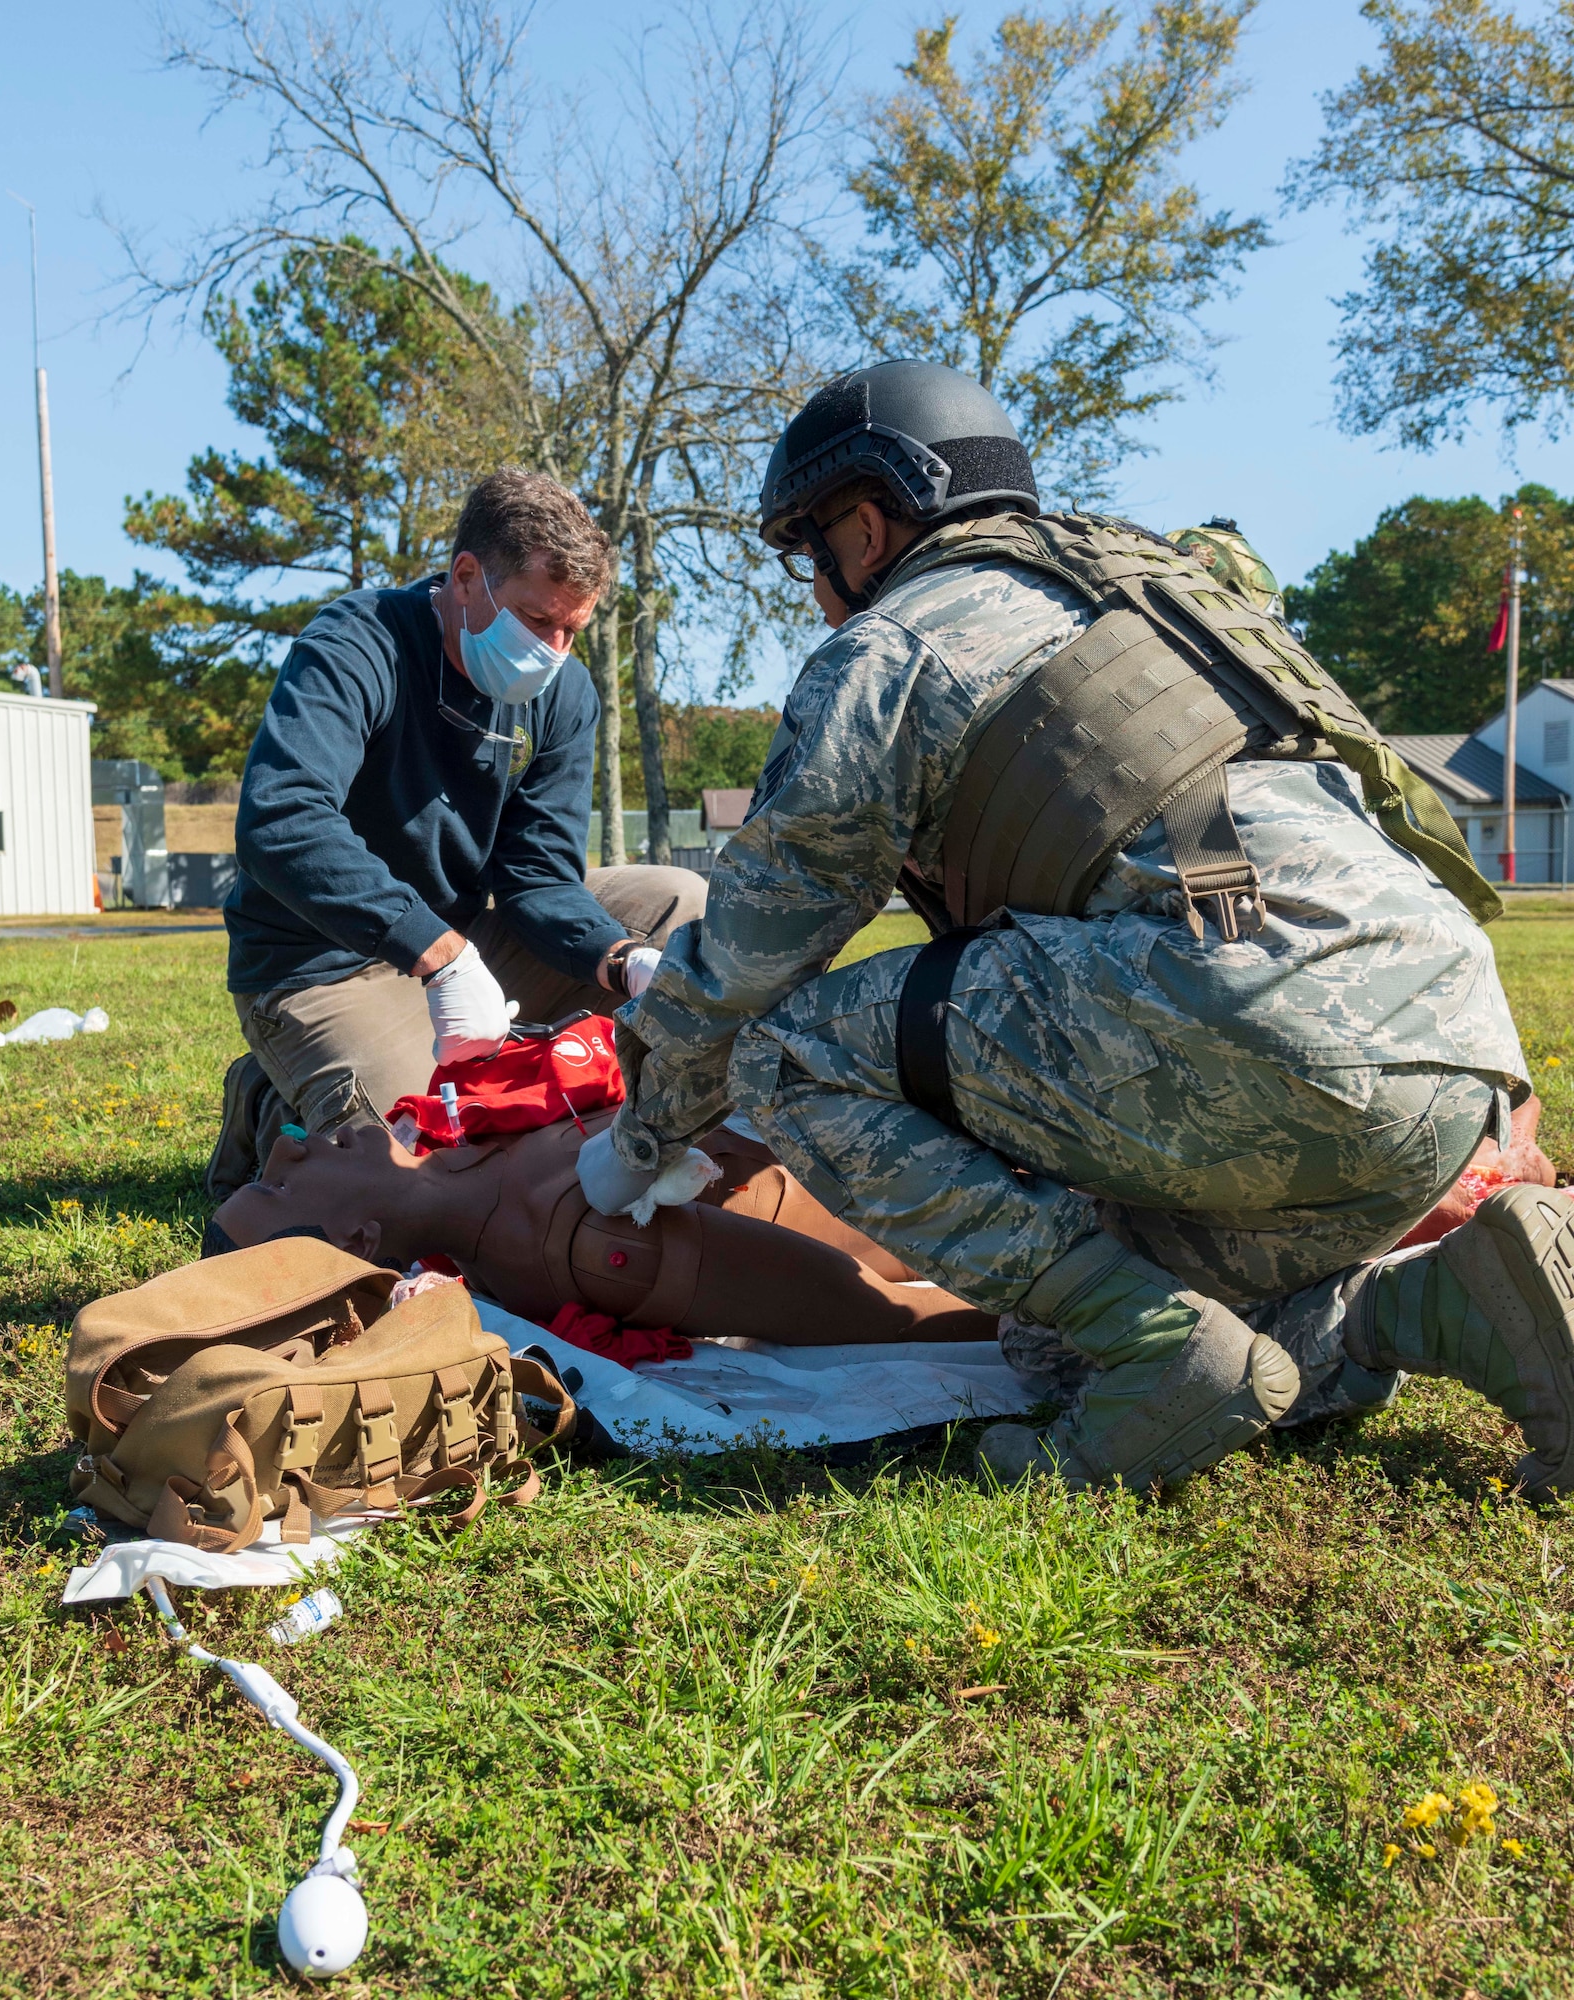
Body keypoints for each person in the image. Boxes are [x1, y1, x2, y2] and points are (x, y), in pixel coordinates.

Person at [577, 357, 1574, 1497]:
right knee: (1055, 1347)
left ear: (865, 522)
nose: (817, 586)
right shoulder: (1166, 589)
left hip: (1259, 1026)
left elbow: (761, 936)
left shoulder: (894, 645)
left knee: (787, 1044)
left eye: (813, 551)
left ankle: (1160, 1349)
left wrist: (643, 1130)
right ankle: (1455, 1294)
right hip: (1451, 1058)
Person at [205, 469, 706, 1197]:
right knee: (425, 1168)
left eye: (574, 629)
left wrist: (621, 958)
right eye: (539, 622)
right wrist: (436, 953)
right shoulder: (360, 643)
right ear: (467, 577)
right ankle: (268, 1098)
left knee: (678, 902)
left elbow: (537, 875)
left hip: (465, 947)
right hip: (324, 962)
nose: (556, 651)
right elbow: (282, 816)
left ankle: (641, 1120)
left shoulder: (563, 693)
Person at [205, 1115, 995, 1347]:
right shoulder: (594, 1247)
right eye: (276, 1182)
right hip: (972, 1179)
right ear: (360, 1243)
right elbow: (863, 1309)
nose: (284, 1144)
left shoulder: (460, 1138)